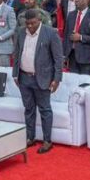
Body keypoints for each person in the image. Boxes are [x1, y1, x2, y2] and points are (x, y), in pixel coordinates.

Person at [13, 9, 63, 153]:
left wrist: (57, 79)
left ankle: (47, 141)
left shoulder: (50, 33)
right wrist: (15, 74)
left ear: (39, 20)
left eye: (33, 23)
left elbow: (58, 59)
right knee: (28, 109)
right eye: (27, 23)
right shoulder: (21, 32)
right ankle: (30, 137)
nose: (30, 26)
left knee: (45, 109)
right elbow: (17, 53)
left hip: (42, 78)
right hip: (24, 77)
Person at [63, 0, 90, 74]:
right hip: (72, 56)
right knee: (73, 81)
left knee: (85, 81)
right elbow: (66, 35)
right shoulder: (70, 15)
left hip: (87, 57)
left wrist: (81, 37)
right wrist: (64, 55)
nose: (76, 0)